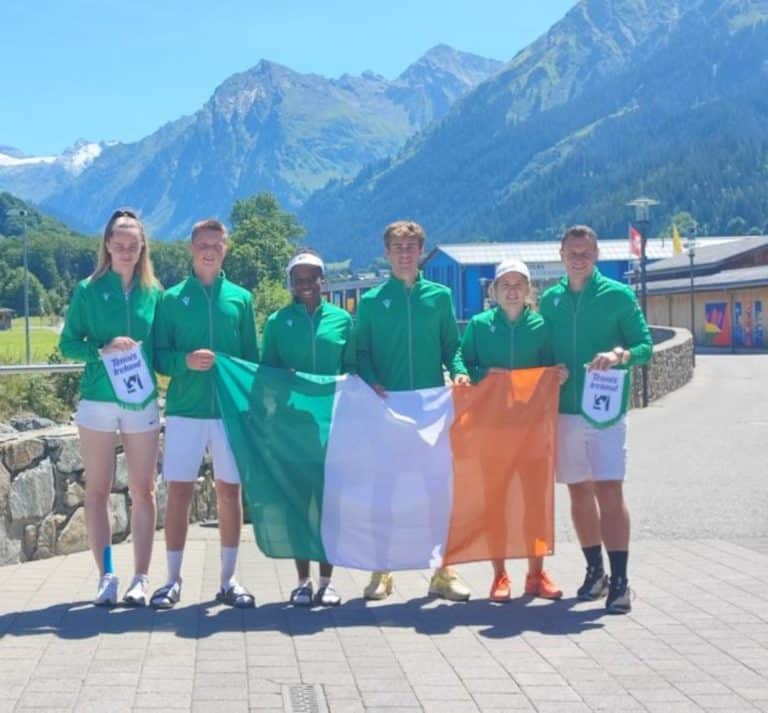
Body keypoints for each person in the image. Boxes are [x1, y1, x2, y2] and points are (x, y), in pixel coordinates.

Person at [356, 220, 471, 601]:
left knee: (437, 492)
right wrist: (372, 380)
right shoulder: (372, 301)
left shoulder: (439, 297)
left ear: (421, 251)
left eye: (411, 246)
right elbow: (360, 353)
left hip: (430, 410)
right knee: (384, 492)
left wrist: (458, 371)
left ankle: (444, 571)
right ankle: (381, 570)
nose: (404, 253)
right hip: (387, 410)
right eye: (397, 247)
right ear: (387, 253)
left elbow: (451, 346)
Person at [540, 225, 652, 614]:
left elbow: (645, 346)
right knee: (577, 491)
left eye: (585, 252)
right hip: (565, 410)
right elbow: (540, 351)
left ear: (597, 254)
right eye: (572, 252)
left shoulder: (618, 296)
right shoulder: (550, 300)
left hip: (605, 410)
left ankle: (621, 580)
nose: (578, 258)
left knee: (609, 489)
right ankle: (595, 572)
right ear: (561, 254)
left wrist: (620, 354)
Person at [151, 219, 259, 609]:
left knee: (230, 492)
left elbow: (251, 362)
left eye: (216, 243)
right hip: (185, 410)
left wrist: (249, 410)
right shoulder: (171, 298)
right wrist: (184, 361)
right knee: (179, 492)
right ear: (191, 247)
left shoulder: (241, 300)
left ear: (226, 248)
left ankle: (230, 580)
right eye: (202, 244)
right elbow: (158, 357)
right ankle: (171, 580)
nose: (209, 250)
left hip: (230, 413)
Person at [60, 208, 162, 607]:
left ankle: (140, 577)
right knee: (97, 490)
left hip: (142, 401)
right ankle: (106, 575)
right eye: (118, 243)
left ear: (141, 248)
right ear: (106, 245)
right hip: (98, 402)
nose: (125, 250)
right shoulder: (88, 289)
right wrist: (101, 350)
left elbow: (162, 348)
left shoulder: (155, 293)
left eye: (132, 245)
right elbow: (68, 343)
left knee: (144, 490)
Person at [461, 258, 566, 602]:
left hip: (533, 430)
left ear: (529, 290)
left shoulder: (542, 326)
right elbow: (464, 362)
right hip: (492, 429)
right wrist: (478, 375)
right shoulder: (477, 325)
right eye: (505, 284)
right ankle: (500, 575)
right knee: (496, 504)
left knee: (535, 504)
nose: (512, 290)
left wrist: (558, 375)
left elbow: (552, 366)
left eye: (518, 284)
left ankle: (537, 574)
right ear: (493, 291)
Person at [260, 248, 355, 607]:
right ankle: (302, 580)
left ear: (323, 281)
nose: (305, 285)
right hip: (293, 429)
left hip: (333, 426)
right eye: (298, 280)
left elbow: (354, 369)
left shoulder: (342, 321)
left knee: (329, 506)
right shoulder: (276, 322)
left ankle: (328, 581)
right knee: (299, 506)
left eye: (311, 278)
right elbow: (265, 375)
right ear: (291, 284)